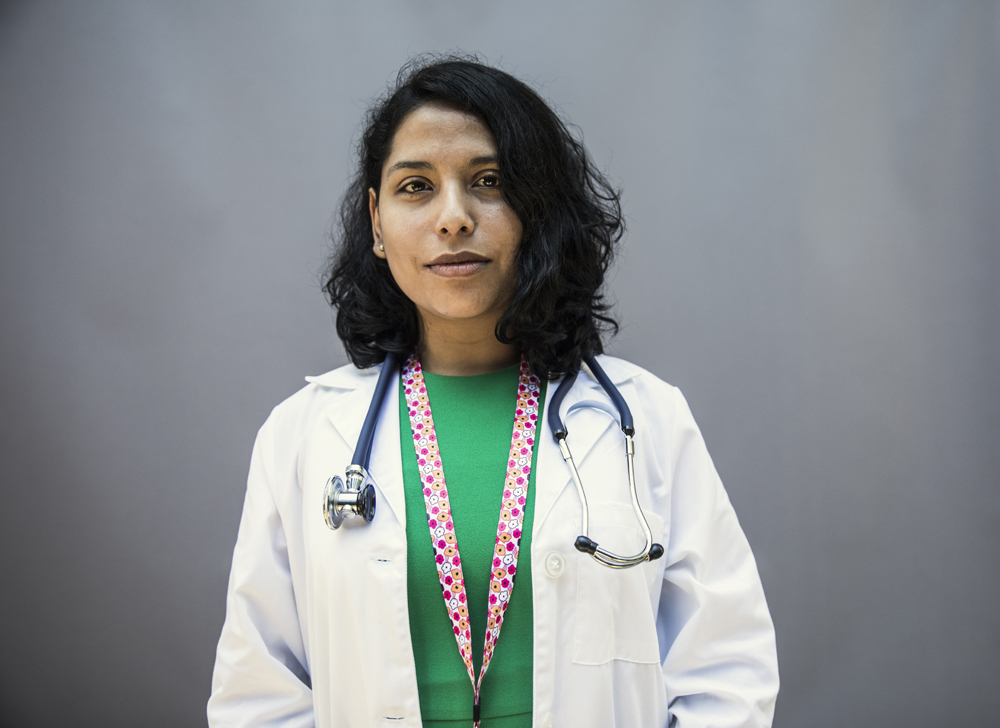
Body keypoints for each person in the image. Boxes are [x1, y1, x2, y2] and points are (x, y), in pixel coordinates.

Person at [208, 56, 779, 728]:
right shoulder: (302, 435)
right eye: (416, 186)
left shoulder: (647, 421)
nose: (453, 218)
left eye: (490, 182)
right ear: (377, 222)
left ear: (538, 210)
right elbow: (260, 694)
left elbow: (726, 672)